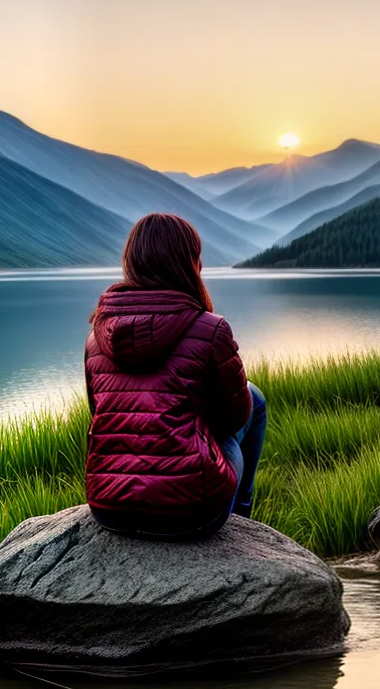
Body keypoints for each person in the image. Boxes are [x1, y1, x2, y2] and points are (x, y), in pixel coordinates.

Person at [84, 213, 266, 539]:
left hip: (109, 510)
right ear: (189, 263)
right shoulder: (210, 328)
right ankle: (242, 516)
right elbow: (234, 420)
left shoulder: (97, 334)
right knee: (255, 399)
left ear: (132, 261)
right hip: (192, 514)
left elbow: (99, 415)